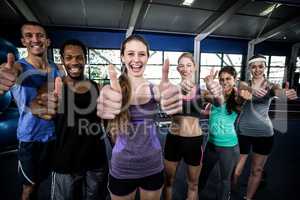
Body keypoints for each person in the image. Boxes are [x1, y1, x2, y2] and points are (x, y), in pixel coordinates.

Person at [97, 35, 182, 200]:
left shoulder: (155, 89)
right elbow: (106, 108)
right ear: (122, 57)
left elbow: (167, 100)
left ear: (147, 57)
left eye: (142, 54)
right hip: (122, 167)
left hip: (152, 165)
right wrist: (106, 103)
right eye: (130, 54)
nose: (136, 59)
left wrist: (171, 99)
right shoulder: (114, 90)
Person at [30, 39, 109, 200]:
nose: (74, 62)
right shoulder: (53, 86)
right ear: (63, 60)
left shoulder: (95, 86)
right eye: (69, 57)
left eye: (79, 57)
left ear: (85, 60)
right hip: (65, 160)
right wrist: (40, 107)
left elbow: (105, 118)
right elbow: (36, 103)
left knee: (94, 197)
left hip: (95, 158)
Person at [0, 21, 59, 200]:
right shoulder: (19, 67)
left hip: (52, 136)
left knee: (42, 182)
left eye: (40, 35)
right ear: (23, 41)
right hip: (30, 138)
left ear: (47, 41)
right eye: (29, 35)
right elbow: (9, 72)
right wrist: (3, 77)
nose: (35, 39)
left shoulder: (55, 69)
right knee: (29, 188)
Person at [233, 55, 298, 200]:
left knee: (257, 169)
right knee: (236, 167)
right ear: (250, 68)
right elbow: (243, 90)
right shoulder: (243, 84)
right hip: (243, 131)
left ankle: (248, 198)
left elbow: (276, 90)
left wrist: (283, 93)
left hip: (264, 133)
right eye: (254, 66)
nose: (257, 69)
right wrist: (250, 92)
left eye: (260, 66)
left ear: (265, 67)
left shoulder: (270, 85)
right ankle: (230, 191)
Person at [163, 52, 217, 200]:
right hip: (173, 140)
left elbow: (219, 102)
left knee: (193, 184)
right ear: (178, 69)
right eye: (181, 65)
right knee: (168, 181)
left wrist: (212, 86)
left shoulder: (203, 91)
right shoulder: (171, 90)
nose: (185, 68)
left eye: (188, 65)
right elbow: (167, 111)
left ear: (194, 67)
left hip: (194, 141)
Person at [198, 66, 252, 200]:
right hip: (211, 144)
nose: (224, 82)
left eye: (228, 79)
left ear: (235, 80)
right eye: (221, 79)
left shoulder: (237, 98)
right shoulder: (216, 96)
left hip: (228, 147)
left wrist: (246, 91)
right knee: (203, 174)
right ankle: (194, 195)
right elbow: (210, 106)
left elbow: (243, 94)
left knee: (224, 180)